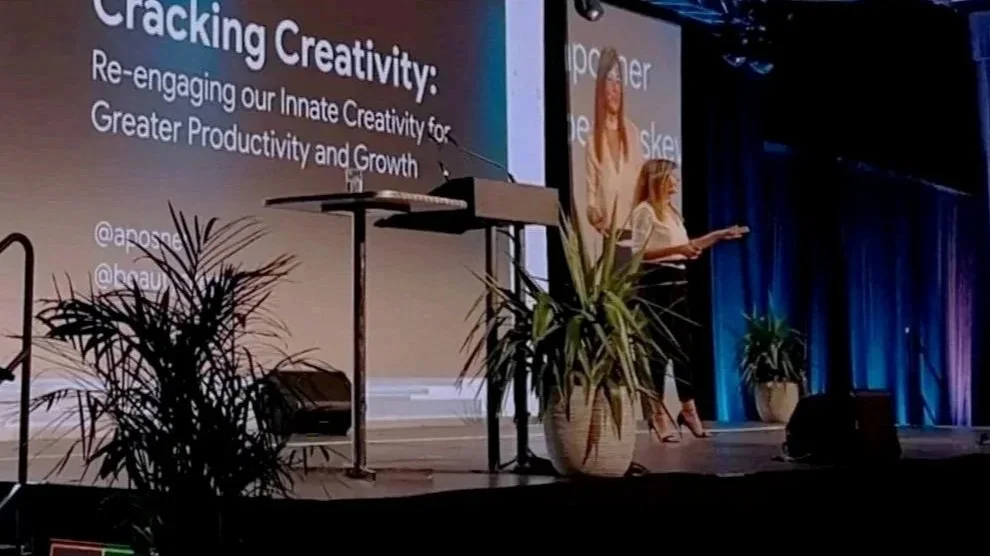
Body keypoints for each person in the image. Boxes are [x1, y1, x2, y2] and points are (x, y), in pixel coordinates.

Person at [630, 159, 748, 442]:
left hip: (679, 284)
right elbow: (639, 253)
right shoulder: (644, 211)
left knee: (683, 351)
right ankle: (658, 414)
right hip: (657, 286)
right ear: (658, 180)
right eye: (672, 178)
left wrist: (718, 236)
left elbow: (687, 246)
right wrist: (678, 249)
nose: (676, 182)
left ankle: (688, 409)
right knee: (659, 352)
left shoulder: (671, 212)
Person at [585, 47, 645, 239]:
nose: (615, 89)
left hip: (635, 230)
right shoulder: (593, 140)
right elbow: (591, 194)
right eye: (610, 80)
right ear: (601, 87)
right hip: (610, 234)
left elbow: (642, 181)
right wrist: (594, 214)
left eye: (619, 81)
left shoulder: (632, 132)